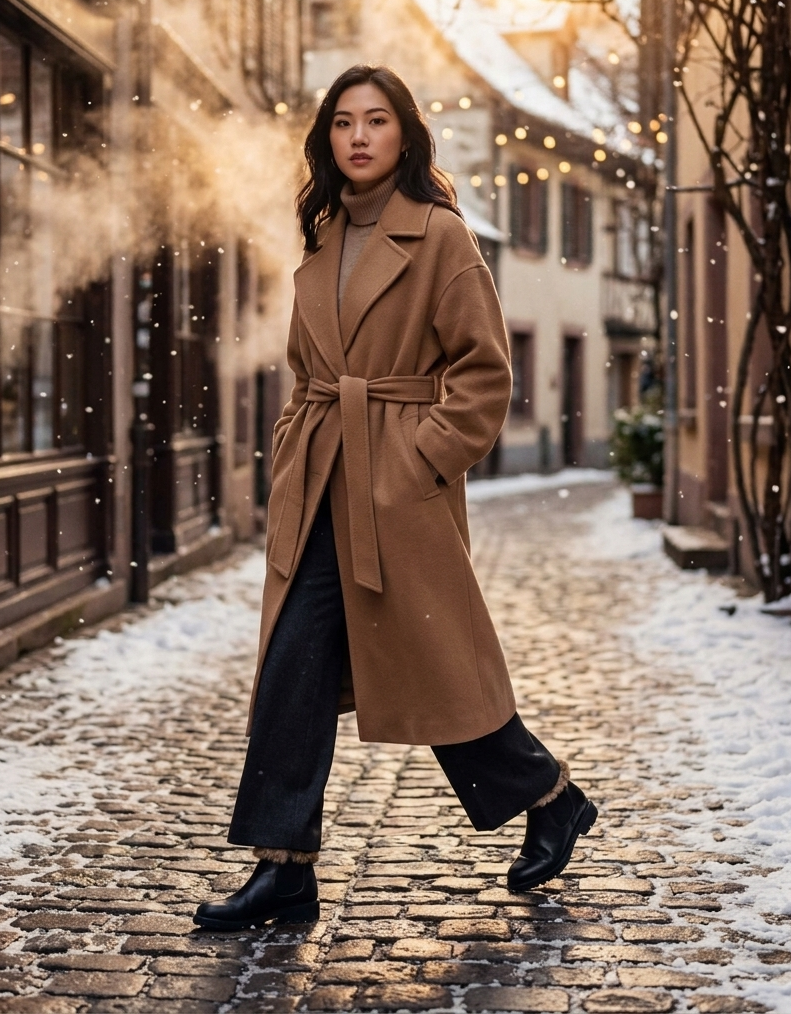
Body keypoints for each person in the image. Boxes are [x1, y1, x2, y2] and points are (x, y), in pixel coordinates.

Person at [193, 65, 597, 931]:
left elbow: (485, 373)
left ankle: (551, 796)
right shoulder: (321, 237)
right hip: (321, 484)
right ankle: (284, 867)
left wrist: (417, 461)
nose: (360, 137)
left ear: (406, 136)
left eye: (377, 121)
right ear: (327, 140)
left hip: (396, 491)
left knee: (431, 666)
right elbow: (311, 374)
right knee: (293, 671)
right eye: (343, 123)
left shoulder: (442, 238)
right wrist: (296, 447)